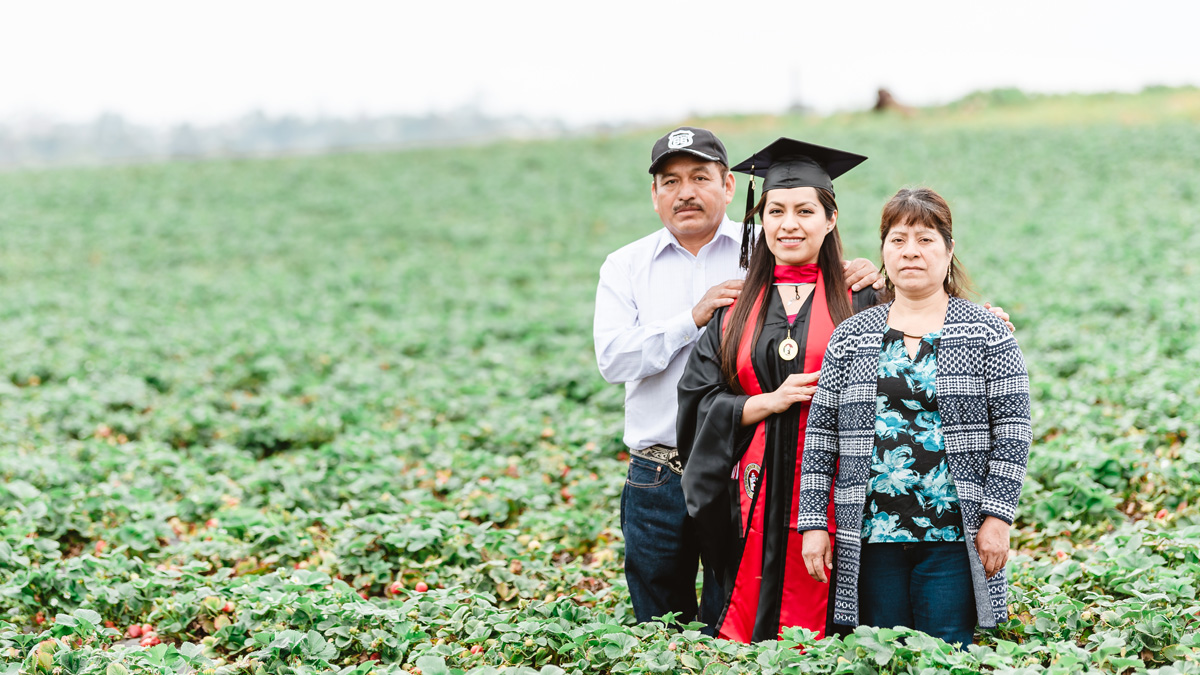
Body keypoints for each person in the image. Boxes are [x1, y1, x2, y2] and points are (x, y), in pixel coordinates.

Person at [594, 128, 883, 633]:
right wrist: (694, 317)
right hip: (664, 472)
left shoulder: (763, 253)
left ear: (729, 186)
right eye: (670, 180)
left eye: (700, 177)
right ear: (655, 192)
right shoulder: (627, 266)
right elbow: (615, 361)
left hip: (772, 482)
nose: (686, 191)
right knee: (665, 624)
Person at [797, 187, 1032, 648]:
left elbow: (1013, 434)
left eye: (925, 239)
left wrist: (997, 518)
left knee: (946, 648)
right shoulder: (853, 336)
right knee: (881, 651)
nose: (910, 252)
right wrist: (812, 524)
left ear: (949, 249)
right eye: (898, 239)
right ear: (883, 250)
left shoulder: (985, 332)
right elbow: (821, 436)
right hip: (870, 534)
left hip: (951, 532)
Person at [675, 137, 882, 643]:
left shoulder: (865, 300)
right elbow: (696, 402)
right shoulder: (733, 308)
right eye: (776, 210)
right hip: (750, 500)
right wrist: (760, 403)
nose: (789, 224)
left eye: (805, 210)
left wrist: (987, 321)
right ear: (760, 218)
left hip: (841, 497)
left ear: (830, 220)